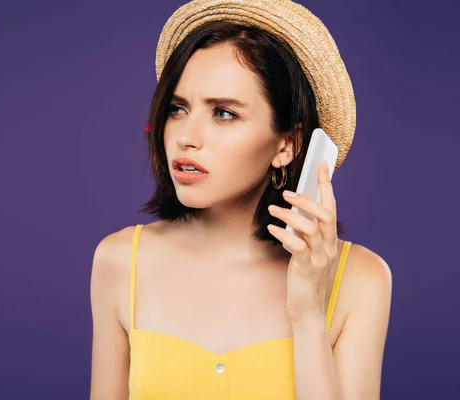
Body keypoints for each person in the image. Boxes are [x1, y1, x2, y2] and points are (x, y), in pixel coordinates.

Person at [89, 0, 392, 398]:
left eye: (224, 113)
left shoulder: (360, 280)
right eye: (178, 109)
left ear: (288, 144)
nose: (185, 136)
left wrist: (307, 313)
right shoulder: (119, 261)